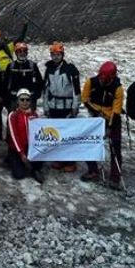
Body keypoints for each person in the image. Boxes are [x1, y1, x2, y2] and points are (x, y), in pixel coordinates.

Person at [81, 61, 124, 189]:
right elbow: (84, 98)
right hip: (95, 117)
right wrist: (95, 112)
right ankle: (93, 170)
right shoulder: (91, 82)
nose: (102, 81)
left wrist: (110, 127)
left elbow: (116, 110)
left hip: (112, 118)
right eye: (101, 78)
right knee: (89, 143)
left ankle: (115, 177)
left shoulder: (118, 88)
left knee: (115, 147)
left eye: (106, 80)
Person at [43, 41, 81, 172]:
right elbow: (46, 89)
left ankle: (70, 161)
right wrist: (46, 107)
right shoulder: (49, 69)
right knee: (56, 134)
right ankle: (59, 159)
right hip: (54, 106)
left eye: (58, 54)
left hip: (67, 106)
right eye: (53, 54)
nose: (55, 57)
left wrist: (75, 105)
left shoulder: (70, 69)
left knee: (68, 135)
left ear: (62, 55)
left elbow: (76, 89)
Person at [6, 89, 44, 182]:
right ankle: (13, 159)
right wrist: (21, 153)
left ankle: (34, 168)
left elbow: (39, 133)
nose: (25, 102)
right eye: (22, 99)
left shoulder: (34, 115)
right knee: (19, 175)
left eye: (27, 100)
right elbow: (14, 136)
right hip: (16, 148)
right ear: (17, 101)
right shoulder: (13, 115)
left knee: (38, 162)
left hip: (29, 148)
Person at [5, 42, 43, 113]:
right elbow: (5, 83)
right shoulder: (10, 66)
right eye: (20, 51)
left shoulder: (32, 65)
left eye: (24, 51)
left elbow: (39, 81)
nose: (22, 53)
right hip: (14, 99)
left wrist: (36, 94)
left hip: (30, 99)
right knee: (14, 120)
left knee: (31, 121)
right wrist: (7, 97)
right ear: (16, 53)